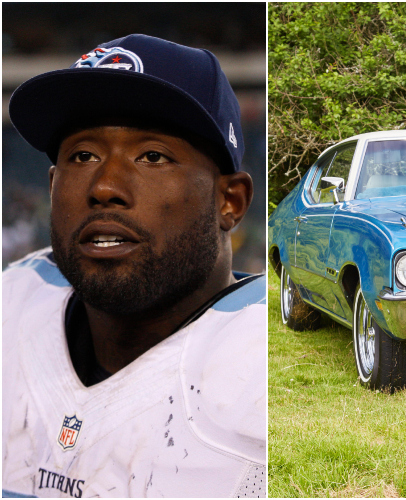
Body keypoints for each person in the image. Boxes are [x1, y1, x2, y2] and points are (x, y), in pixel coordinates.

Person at [2, 34, 265, 498]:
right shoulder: (15, 302)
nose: (104, 186)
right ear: (50, 186)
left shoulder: (264, 378)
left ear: (230, 201)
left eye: (152, 156)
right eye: (82, 156)